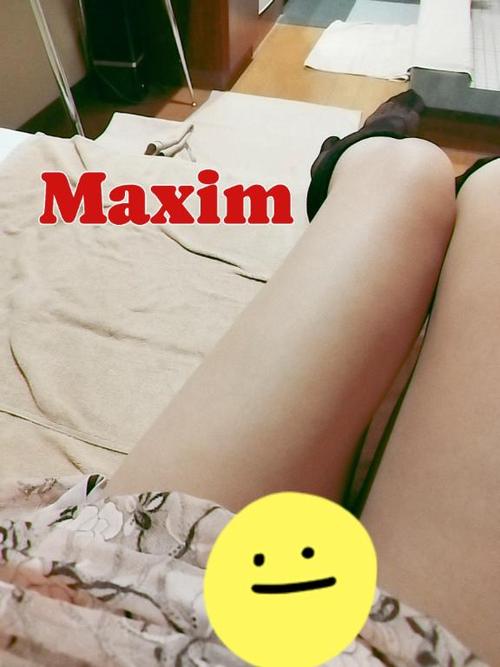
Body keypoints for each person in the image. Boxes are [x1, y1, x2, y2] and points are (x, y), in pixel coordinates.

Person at [0, 92, 497, 666]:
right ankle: (392, 172)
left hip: (81, 593)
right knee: (476, 192)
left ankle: (372, 163)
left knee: (409, 173)